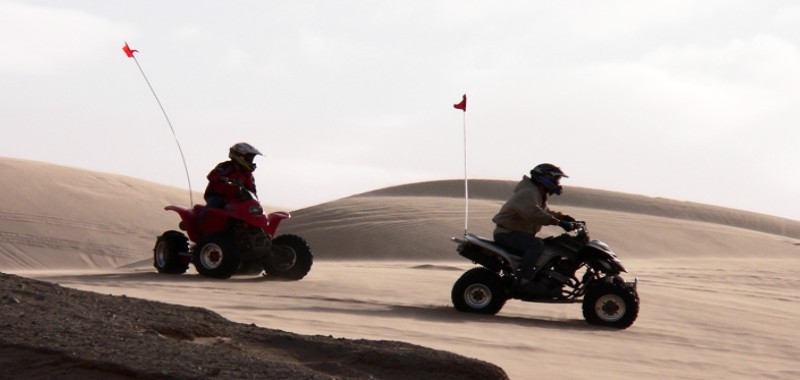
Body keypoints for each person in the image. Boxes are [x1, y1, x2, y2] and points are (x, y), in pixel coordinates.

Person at [492, 163, 579, 291]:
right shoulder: (528, 192)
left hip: (516, 233)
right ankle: (524, 280)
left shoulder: (538, 193)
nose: (558, 183)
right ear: (545, 178)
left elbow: (544, 212)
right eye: (556, 179)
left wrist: (564, 217)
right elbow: (535, 214)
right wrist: (559, 223)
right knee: (536, 245)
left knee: (548, 245)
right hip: (507, 233)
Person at [203, 142, 262, 209]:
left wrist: (255, 200)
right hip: (218, 197)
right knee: (212, 206)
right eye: (248, 158)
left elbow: (252, 190)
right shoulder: (225, 166)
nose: (250, 160)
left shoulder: (247, 174)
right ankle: (201, 218)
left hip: (236, 201)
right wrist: (223, 179)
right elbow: (212, 176)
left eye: (251, 158)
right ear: (240, 156)